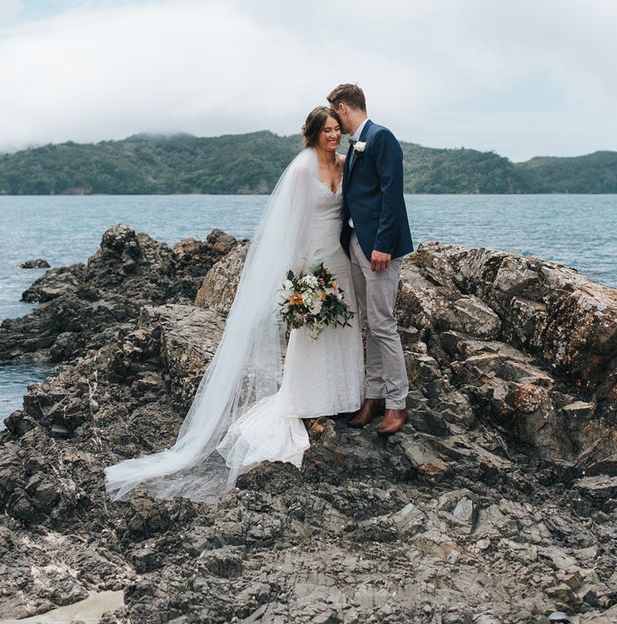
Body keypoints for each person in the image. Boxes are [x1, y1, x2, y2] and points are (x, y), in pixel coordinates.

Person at [105, 107, 363, 501]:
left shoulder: (346, 164)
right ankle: (308, 397)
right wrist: (298, 276)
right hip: (311, 256)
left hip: (339, 257)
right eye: (326, 131)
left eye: (335, 129)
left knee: (342, 324)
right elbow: (291, 225)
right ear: (312, 134)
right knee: (310, 330)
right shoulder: (301, 170)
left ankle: (342, 396)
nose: (333, 136)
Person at [327, 84, 413, 436]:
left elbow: (392, 193)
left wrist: (383, 244)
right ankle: (374, 396)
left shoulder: (381, 137)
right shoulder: (355, 144)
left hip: (378, 248)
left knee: (384, 324)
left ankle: (397, 403)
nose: (335, 121)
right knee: (369, 323)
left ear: (344, 108)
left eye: (335, 113)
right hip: (356, 243)